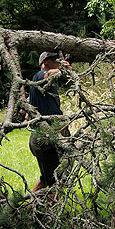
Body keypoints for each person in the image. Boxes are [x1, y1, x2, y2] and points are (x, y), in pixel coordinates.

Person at [28, 51, 71, 192]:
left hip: (45, 136)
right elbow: (48, 74)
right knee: (55, 180)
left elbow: (28, 117)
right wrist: (62, 70)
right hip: (46, 138)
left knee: (47, 178)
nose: (59, 63)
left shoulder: (45, 85)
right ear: (46, 63)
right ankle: (53, 212)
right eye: (56, 61)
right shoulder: (40, 76)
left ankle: (28, 209)